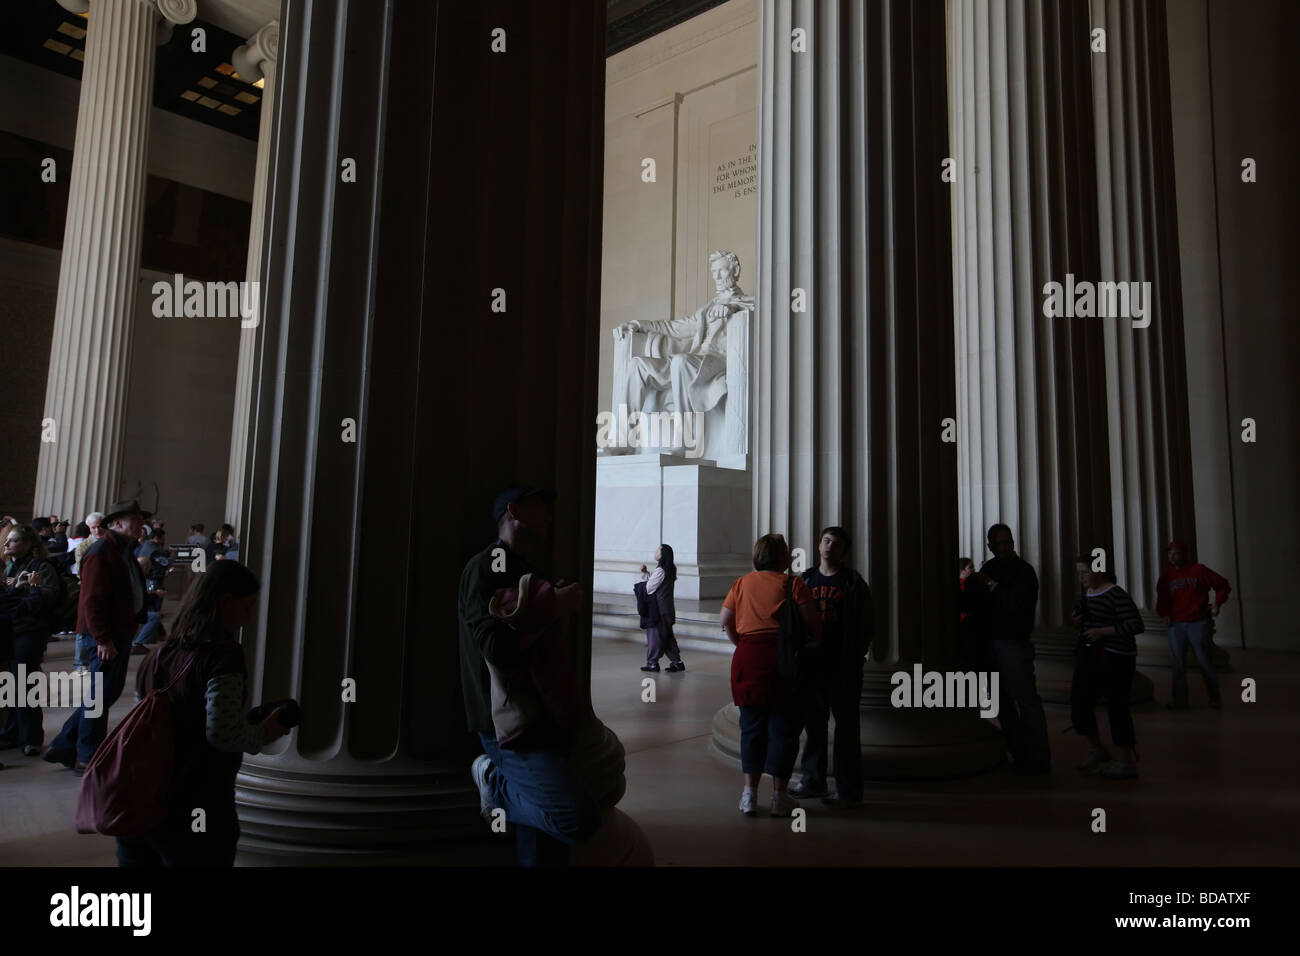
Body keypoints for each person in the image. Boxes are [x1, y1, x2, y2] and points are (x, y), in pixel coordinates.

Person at [459, 486, 600, 866]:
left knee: (545, 843)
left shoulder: (525, 568)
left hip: (541, 715)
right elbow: (495, 647)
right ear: (514, 511)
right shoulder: (485, 566)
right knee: (575, 819)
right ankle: (492, 782)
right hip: (510, 727)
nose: (550, 518)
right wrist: (553, 608)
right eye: (541, 509)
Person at [116, 560, 290, 867]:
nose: (247, 617)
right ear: (225, 602)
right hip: (196, 801)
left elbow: (141, 720)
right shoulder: (223, 657)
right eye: (246, 607)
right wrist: (265, 732)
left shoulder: (157, 655)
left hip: (140, 799)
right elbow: (221, 734)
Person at [44, 499, 150, 774]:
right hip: (105, 634)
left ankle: (65, 744)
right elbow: (91, 600)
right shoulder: (101, 553)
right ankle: (87, 754)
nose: (140, 524)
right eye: (134, 519)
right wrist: (103, 639)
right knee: (100, 695)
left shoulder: (123, 551)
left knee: (105, 693)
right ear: (115, 523)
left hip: (120, 630)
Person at [722, 533, 822, 817]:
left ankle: (749, 795)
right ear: (781, 556)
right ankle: (779, 797)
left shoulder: (741, 583)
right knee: (784, 729)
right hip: (784, 660)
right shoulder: (794, 584)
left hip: (748, 657)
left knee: (751, 728)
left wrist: (740, 642)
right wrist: (812, 644)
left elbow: (725, 620)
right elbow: (813, 625)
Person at [789, 526, 873, 808]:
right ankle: (813, 780)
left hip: (843, 666)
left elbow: (866, 624)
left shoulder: (853, 582)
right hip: (813, 664)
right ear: (818, 545)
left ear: (843, 551)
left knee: (847, 729)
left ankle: (848, 789)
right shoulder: (806, 579)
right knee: (814, 725)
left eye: (835, 544)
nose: (829, 547)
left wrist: (855, 656)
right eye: (826, 541)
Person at [960, 523, 1051, 774]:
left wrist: (991, 585)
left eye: (1007, 542)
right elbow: (974, 606)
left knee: (1026, 700)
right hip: (989, 644)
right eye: (998, 543)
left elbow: (1017, 606)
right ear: (990, 546)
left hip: (1012, 642)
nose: (1003, 547)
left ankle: (1040, 759)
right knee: (1001, 703)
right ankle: (1021, 753)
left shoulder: (1024, 571)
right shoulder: (988, 568)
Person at [1070, 558, 1144, 779]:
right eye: (1079, 573)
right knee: (1080, 702)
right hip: (1091, 655)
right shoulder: (1086, 595)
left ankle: (1125, 760)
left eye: (1085, 572)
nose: (1081, 577)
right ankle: (1097, 748)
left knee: (1117, 707)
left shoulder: (1115, 594)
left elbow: (1135, 624)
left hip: (1116, 658)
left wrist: (1103, 631)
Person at [0, 526, 61, 755]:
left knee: (25, 683)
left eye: (13, 541)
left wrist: (29, 587)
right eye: (7, 541)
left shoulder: (41, 566)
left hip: (30, 631)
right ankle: (11, 733)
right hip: (11, 631)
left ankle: (31, 737)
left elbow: (49, 595)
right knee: (10, 683)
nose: (7, 545)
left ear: (28, 544)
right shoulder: (8, 565)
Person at [1156, 540, 1229, 711]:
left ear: (1185, 554)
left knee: (1204, 661)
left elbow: (1222, 585)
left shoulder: (1199, 570)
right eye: (1170, 554)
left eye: (1176, 553)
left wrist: (1218, 603)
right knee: (1178, 664)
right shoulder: (1166, 577)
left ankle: (1214, 698)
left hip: (1198, 622)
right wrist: (1164, 614)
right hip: (1176, 624)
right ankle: (1180, 700)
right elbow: (1162, 601)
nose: (1172, 557)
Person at [638, 544, 683, 673]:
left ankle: (652, 663)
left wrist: (640, 586)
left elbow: (649, 588)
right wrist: (647, 574)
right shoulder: (668, 569)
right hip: (668, 609)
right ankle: (677, 662)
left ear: (662, 554)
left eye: (658, 550)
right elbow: (657, 582)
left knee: (655, 636)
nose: (656, 551)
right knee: (667, 637)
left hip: (660, 610)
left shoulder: (661, 570)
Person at [131, 526, 168, 652]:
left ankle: (152, 636)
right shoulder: (154, 550)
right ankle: (139, 642)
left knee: (152, 613)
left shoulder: (143, 547)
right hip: (129, 611)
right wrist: (156, 594)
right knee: (154, 614)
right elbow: (140, 599)